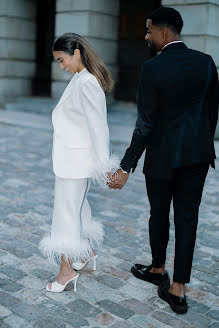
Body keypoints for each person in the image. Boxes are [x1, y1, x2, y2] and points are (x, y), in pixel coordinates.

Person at [108, 6, 219, 314]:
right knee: (187, 219)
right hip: (196, 158)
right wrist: (199, 146)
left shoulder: (152, 68)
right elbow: (212, 115)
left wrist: (127, 164)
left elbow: (145, 123)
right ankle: (178, 289)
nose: (146, 36)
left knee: (159, 214)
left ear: (164, 32)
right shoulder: (207, 63)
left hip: (161, 158)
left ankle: (158, 268)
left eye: (149, 30)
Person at [39, 33, 119, 293]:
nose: (62, 66)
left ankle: (66, 271)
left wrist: (104, 165)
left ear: (76, 52)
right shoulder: (81, 78)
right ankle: (86, 253)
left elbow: (99, 127)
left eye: (62, 60)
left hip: (75, 162)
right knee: (78, 207)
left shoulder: (86, 82)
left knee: (65, 213)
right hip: (71, 159)